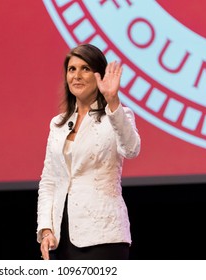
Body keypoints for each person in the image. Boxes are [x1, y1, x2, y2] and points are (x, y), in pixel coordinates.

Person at [36, 43, 141, 260]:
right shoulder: (57, 124)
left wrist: (113, 103)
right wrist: (46, 228)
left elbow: (131, 149)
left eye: (85, 68)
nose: (77, 75)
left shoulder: (117, 115)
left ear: (99, 75)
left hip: (104, 236)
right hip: (61, 238)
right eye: (72, 69)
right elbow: (49, 181)